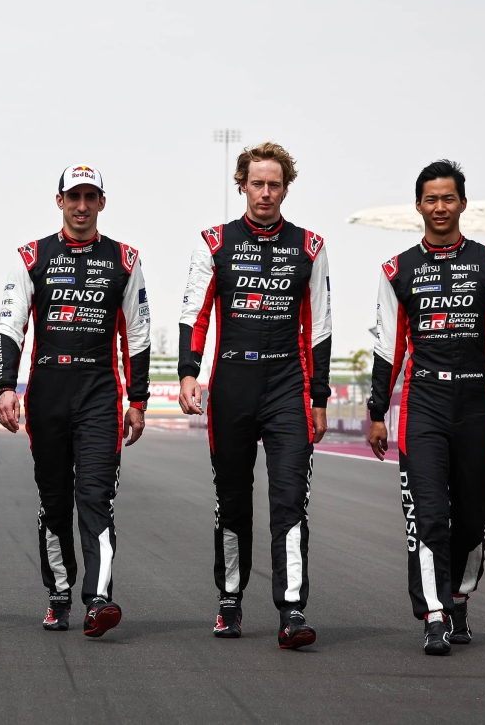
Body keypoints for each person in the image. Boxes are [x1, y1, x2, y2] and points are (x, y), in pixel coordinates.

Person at [366, 159, 485, 655]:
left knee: (473, 515)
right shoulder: (396, 270)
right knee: (428, 515)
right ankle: (434, 615)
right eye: (431, 199)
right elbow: (387, 348)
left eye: (448, 198)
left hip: (473, 406)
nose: (440, 207)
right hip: (422, 405)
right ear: (418, 205)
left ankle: (459, 595)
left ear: (463, 203)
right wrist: (377, 411)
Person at [177, 142, 331, 649]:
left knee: (290, 501)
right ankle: (229, 600)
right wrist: (187, 374)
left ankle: (292, 610)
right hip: (232, 386)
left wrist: (319, 398)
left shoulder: (310, 246)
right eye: (257, 183)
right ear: (241, 184)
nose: (266, 193)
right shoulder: (214, 242)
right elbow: (195, 314)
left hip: (288, 387)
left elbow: (320, 328)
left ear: (286, 189)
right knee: (232, 499)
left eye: (275, 185)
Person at [0, 164, 151, 638]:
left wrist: (138, 400)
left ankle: (98, 599)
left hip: (100, 392)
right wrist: (5, 387)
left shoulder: (125, 258)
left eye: (90, 197)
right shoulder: (30, 256)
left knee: (96, 497)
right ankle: (59, 595)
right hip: (47, 392)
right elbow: (10, 325)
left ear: (102, 202)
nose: (82, 206)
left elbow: (138, 333)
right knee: (55, 503)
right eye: (74, 196)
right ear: (59, 200)